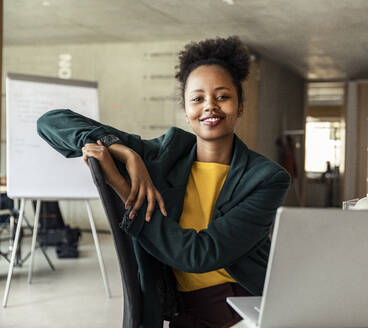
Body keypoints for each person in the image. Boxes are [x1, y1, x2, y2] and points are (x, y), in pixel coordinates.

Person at [37, 36, 290, 328]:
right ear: (186, 110)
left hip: (248, 306)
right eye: (197, 98)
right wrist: (122, 150)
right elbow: (50, 122)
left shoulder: (267, 178)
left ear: (240, 106)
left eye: (222, 96)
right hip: (185, 308)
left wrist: (123, 187)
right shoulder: (162, 155)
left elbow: (198, 254)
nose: (210, 106)